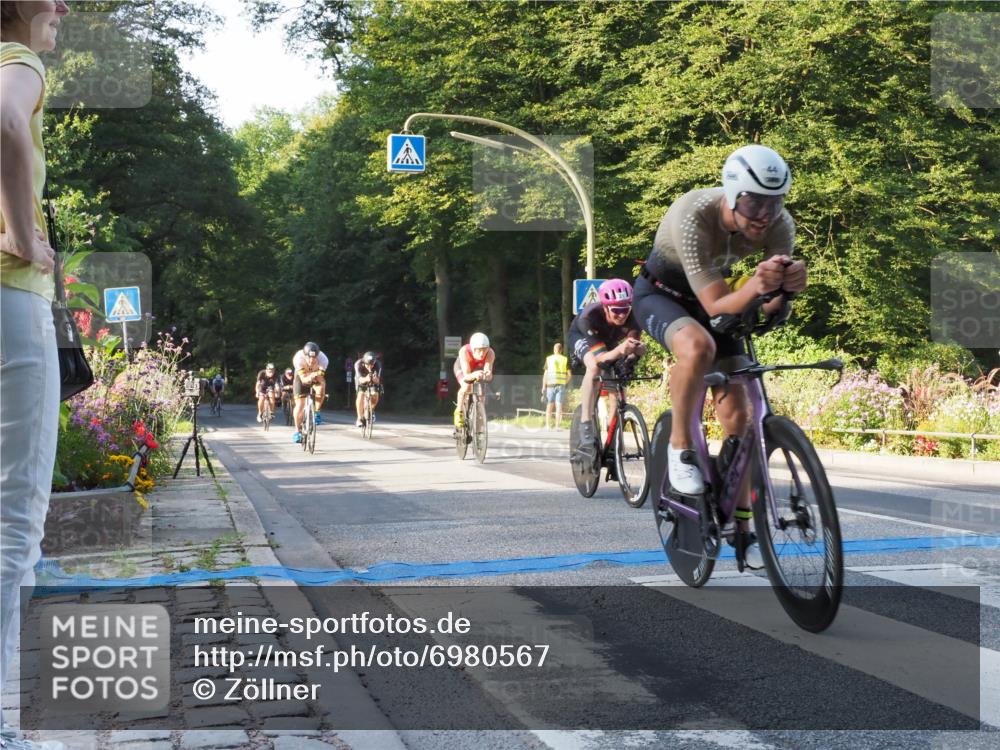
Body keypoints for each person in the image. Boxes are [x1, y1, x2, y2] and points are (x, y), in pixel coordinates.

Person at [633, 144, 805, 567]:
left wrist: (784, 292)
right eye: (753, 203)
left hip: (725, 302)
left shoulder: (780, 225)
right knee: (697, 346)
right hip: (663, 296)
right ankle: (679, 447)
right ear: (731, 194)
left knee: (741, 418)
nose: (763, 215)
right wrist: (757, 286)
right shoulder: (693, 214)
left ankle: (743, 527)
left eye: (773, 203)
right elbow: (713, 306)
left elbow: (766, 308)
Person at [1, 3, 71, 749]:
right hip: (9, 300)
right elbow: (7, 121)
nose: (63, 9)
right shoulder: (15, 61)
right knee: (16, 517)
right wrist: (23, 237)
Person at [568, 279, 646, 462]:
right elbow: (600, 358)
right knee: (594, 367)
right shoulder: (589, 316)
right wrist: (620, 350)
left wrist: (634, 356)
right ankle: (585, 423)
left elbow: (630, 350)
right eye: (616, 310)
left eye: (625, 309)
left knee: (618, 380)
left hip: (609, 340)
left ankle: (613, 441)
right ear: (605, 307)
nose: (622, 314)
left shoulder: (635, 317)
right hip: (582, 336)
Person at [452, 332, 495, 430]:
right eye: (479, 350)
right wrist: (474, 375)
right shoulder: (464, 351)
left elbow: (488, 372)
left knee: (482, 391)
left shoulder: (490, 353)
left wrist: (488, 375)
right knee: (466, 386)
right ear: (473, 349)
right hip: (462, 369)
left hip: (477, 369)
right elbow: (467, 375)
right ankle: (459, 411)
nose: (482, 353)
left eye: (484, 350)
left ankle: (479, 414)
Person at [292, 342, 328, 443]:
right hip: (301, 377)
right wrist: (311, 375)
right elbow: (303, 379)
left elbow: (320, 377)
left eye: (314, 358)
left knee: (322, 386)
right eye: (309, 358)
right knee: (300, 405)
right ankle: (297, 431)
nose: (312, 360)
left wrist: (315, 376)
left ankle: (317, 411)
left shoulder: (324, 359)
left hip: (316, 376)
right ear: (305, 355)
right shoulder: (298, 358)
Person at [541, 342, 569, 430]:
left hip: (550, 385)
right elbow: (570, 374)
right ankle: (557, 426)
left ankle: (548, 426)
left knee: (549, 405)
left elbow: (545, 374)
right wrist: (565, 382)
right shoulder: (565, 359)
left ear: (554, 350)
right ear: (561, 350)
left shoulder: (549, 359)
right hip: (561, 385)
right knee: (559, 406)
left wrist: (543, 386)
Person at [354, 351, 382, 428]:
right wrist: (366, 378)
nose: (370, 366)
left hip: (372, 379)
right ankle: (359, 418)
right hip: (361, 379)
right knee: (360, 394)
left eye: (372, 364)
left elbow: (378, 380)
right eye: (368, 365)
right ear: (364, 362)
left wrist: (374, 379)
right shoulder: (358, 364)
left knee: (375, 393)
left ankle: (371, 410)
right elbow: (360, 379)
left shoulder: (378, 364)